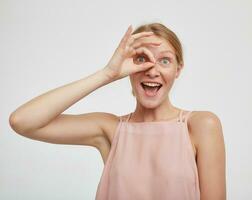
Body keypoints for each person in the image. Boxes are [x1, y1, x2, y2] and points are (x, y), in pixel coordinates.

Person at [9, 22, 226, 200]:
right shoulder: (111, 129)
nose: (152, 70)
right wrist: (107, 74)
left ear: (178, 69)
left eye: (164, 60)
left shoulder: (201, 125)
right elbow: (23, 121)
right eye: (142, 59)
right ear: (128, 67)